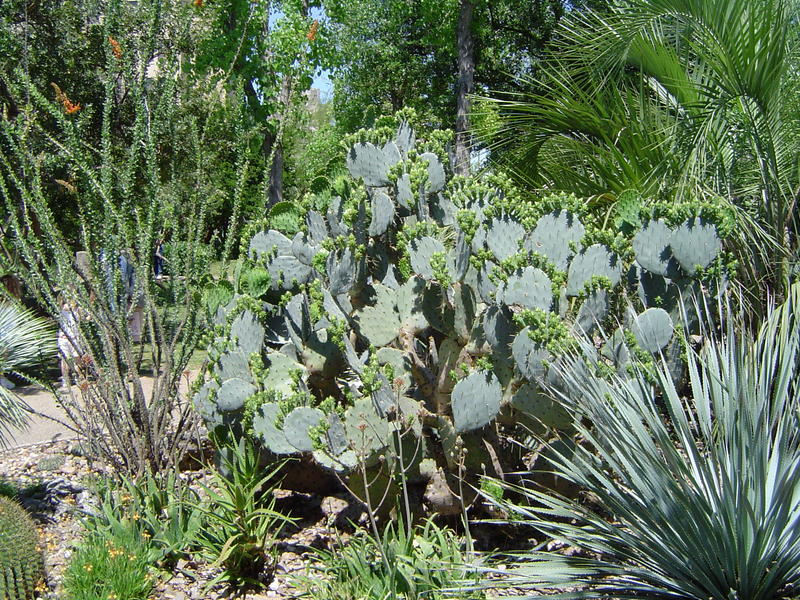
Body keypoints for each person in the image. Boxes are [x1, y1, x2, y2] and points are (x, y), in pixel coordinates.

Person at [57, 294, 82, 391]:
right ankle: (66, 379)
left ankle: (79, 377)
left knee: (77, 359)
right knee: (65, 360)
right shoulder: (62, 308)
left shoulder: (77, 310)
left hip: (74, 338)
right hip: (64, 338)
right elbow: (64, 306)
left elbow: (83, 318)